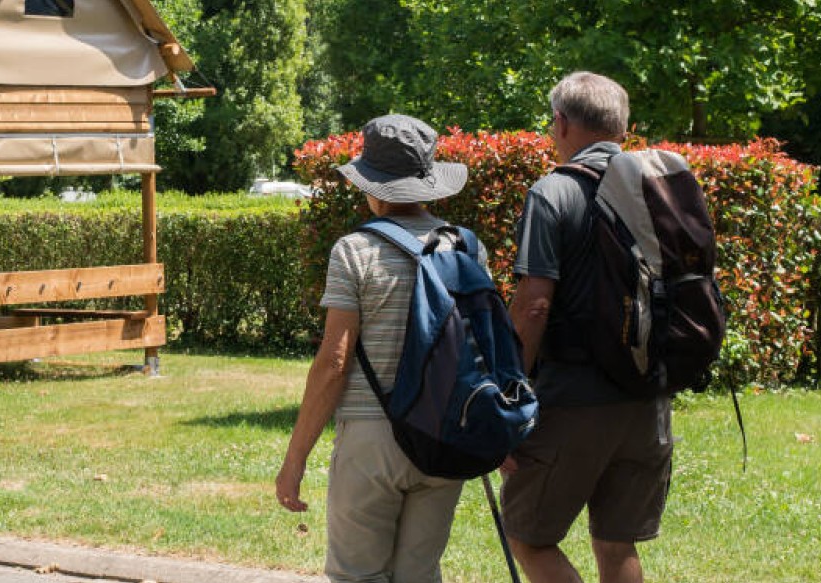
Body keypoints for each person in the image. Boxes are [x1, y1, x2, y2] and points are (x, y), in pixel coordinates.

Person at [276, 114, 481, 583]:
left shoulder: (354, 251)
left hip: (374, 435)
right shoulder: (466, 247)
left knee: (358, 576)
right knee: (420, 575)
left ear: (374, 186)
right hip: (443, 435)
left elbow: (334, 363)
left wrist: (296, 458)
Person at [502, 71, 676, 583]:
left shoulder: (553, 192)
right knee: (616, 543)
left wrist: (509, 399)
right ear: (625, 126)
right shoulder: (661, 190)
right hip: (649, 397)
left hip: (574, 397)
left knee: (529, 538)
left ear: (560, 123)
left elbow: (533, 307)